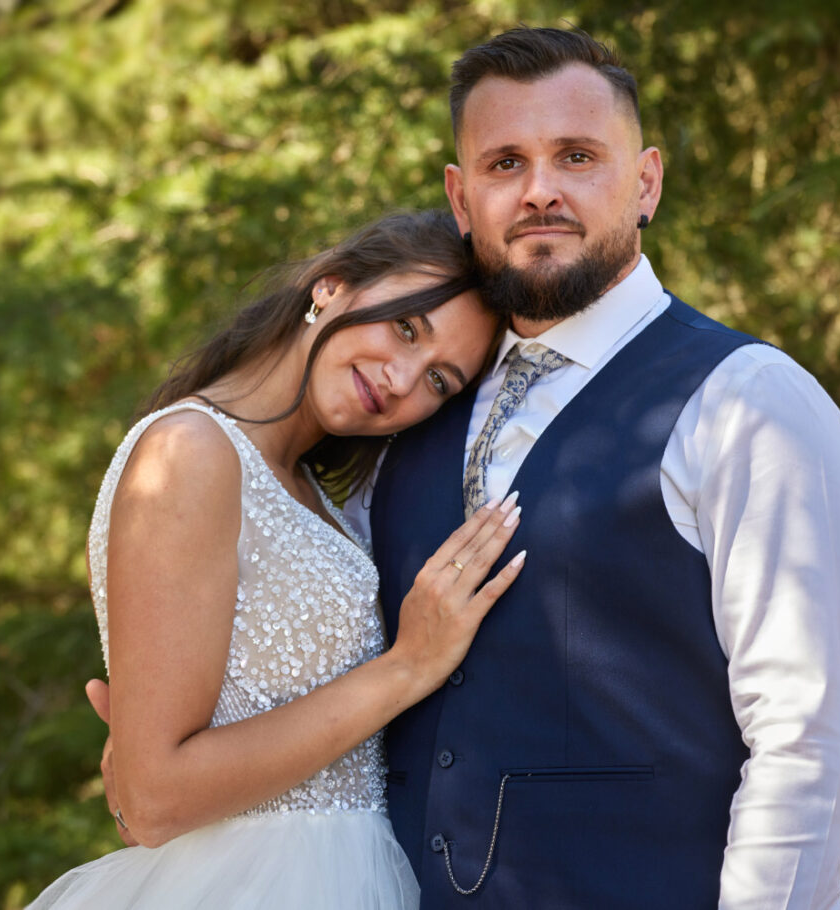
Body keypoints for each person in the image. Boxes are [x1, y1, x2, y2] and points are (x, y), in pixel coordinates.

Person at [354, 27, 840, 908]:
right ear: (460, 197)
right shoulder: (411, 404)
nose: (539, 191)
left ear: (646, 183)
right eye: (504, 163)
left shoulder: (749, 401)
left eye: (577, 156)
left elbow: (804, 740)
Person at [28, 210, 528, 910]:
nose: (401, 377)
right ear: (330, 286)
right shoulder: (189, 453)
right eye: (406, 328)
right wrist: (409, 664)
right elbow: (156, 799)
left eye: (439, 381)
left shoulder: (326, 500)